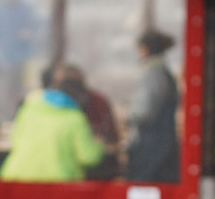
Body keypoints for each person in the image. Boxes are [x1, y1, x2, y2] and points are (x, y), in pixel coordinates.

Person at [0, 66, 105, 182]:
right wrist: (99, 143)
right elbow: (88, 157)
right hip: (58, 182)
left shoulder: (29, 108)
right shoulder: (75, 118)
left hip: (17, 178)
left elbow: (15, 140)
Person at [125, 29, 181, 183]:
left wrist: (129, 118)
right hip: (160, 142)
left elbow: (143, 110)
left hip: (151, 144)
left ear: (145, 48)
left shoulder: (152, 73)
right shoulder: (162, 72)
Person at [0, 0, 42, 122]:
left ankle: (24, 117)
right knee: (5, 90)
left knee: (26, 89)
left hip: (24, 56)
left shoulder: (27, 8)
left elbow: (38, 27)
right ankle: (7, 118)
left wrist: (30, 34)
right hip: (5, 57)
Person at [54, 64, 121, 179]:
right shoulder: (97, 101)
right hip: (77, 170)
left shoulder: (96, 102)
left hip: (79, 171)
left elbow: (111, 137)